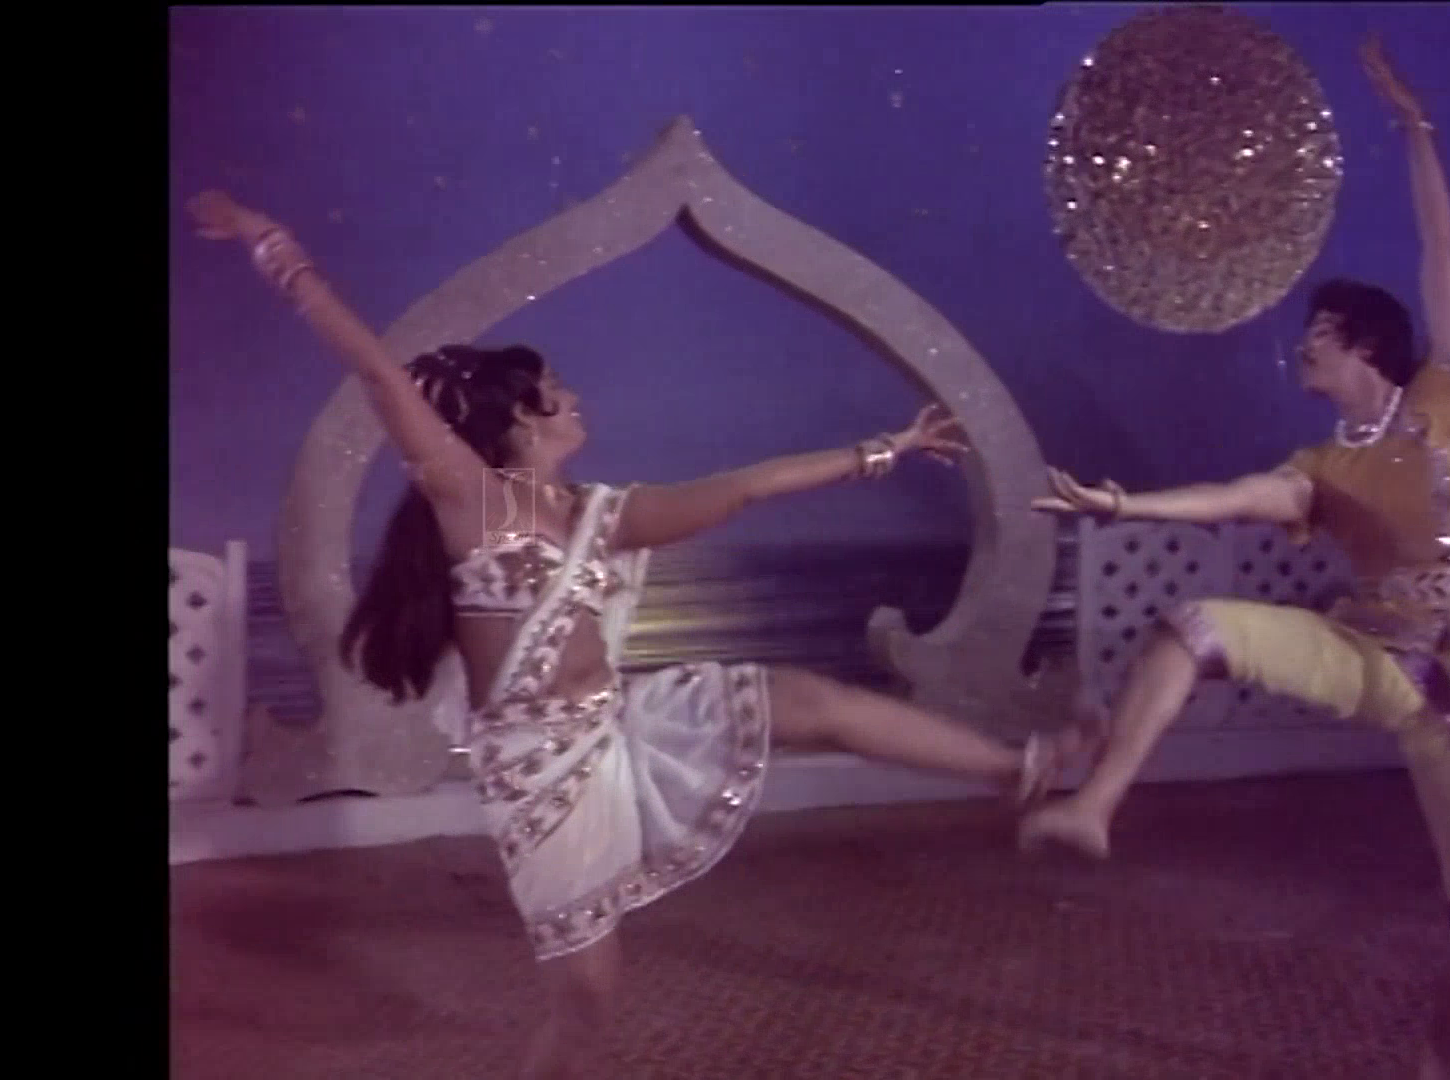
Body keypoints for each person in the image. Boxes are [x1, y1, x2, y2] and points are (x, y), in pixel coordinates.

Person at [186, 190, 1087, 1078]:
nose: (575, 398)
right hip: (539, 772)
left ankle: (1019, 769)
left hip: (624, 724)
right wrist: (277, 250)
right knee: (587, 1000)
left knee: (814, 702)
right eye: (555, 391)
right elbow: (380, 376)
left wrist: (883, 450)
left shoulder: (600, 514)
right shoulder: (473, 501)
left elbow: (744, 488)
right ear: (521, 416)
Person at [1018, 37, 1450, 963]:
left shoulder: (1446, 392)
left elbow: (1443, 253)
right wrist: (1125, 507)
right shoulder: (1320, 466)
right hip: (1371, 658)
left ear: (1365, 345)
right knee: (1191, 628)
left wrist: (1415, 128)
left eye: (1319, 333)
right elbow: (1235, 497)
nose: (1302, 347)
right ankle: (1094, 807)